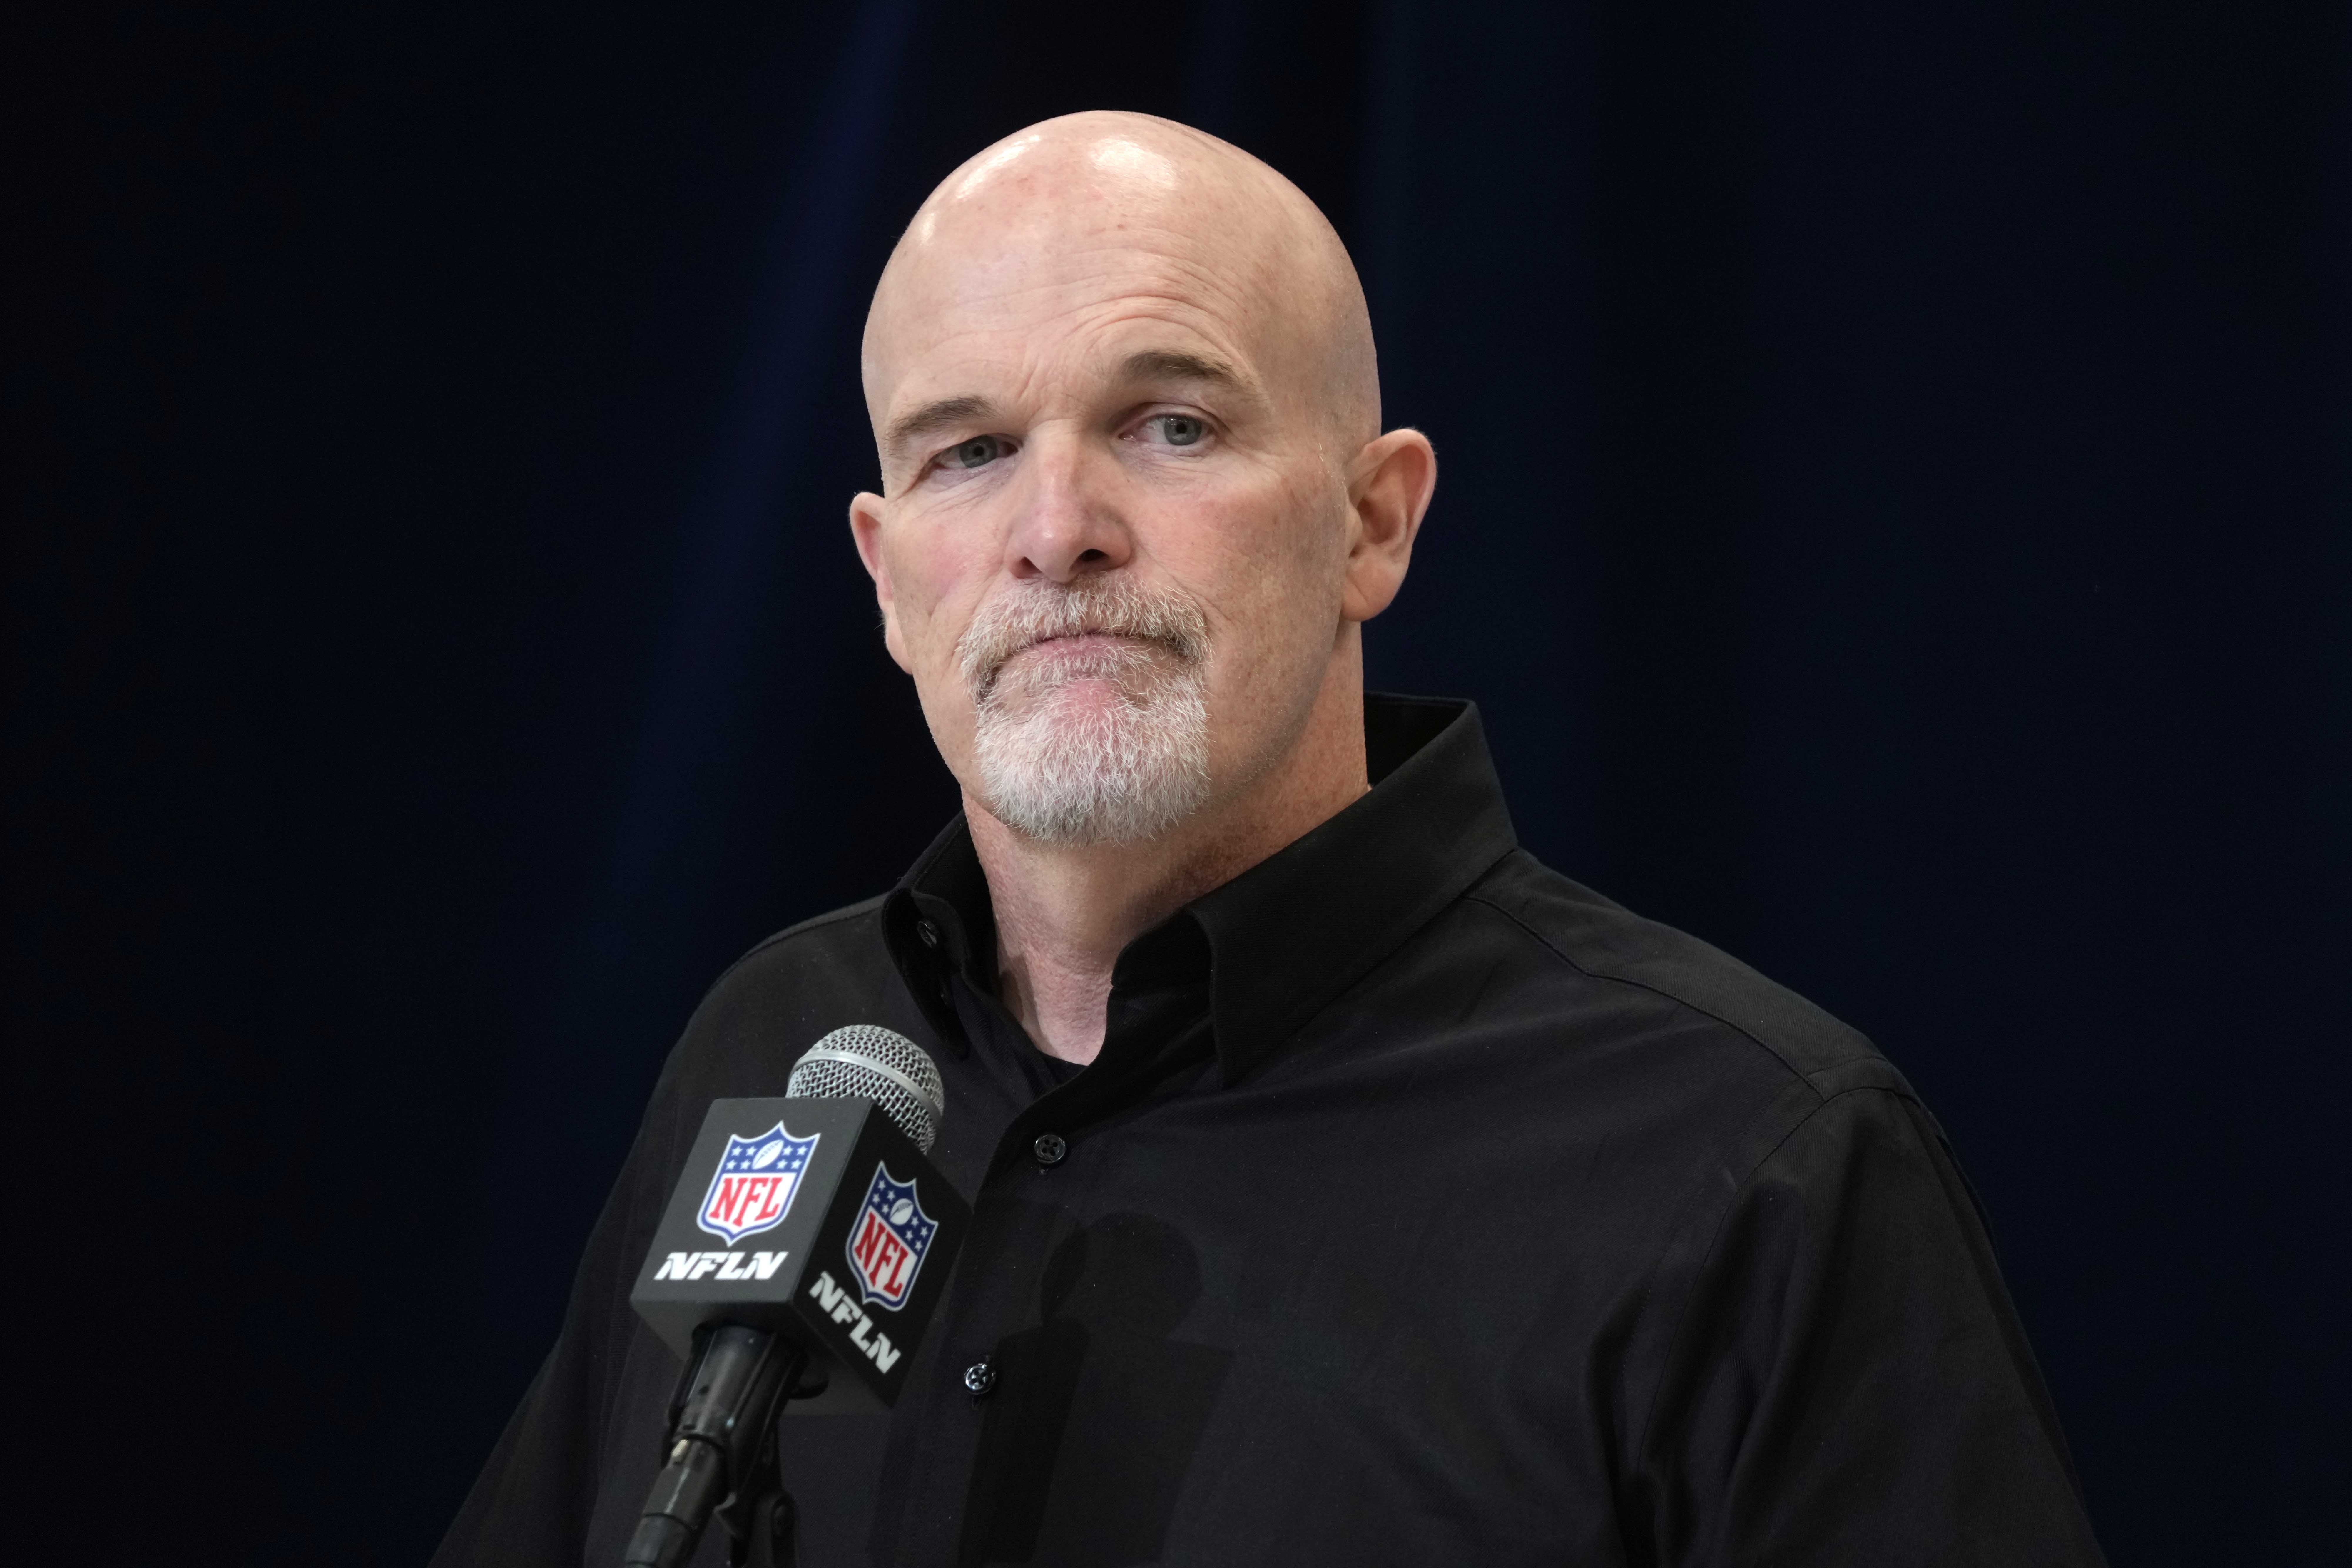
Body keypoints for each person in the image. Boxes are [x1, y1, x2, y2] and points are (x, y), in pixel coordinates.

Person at [435, 111, 2105, 1567]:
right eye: (968, 452)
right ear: (883, 574)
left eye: (1170, 423)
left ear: (1372, 518)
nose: (1056, 533)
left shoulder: (1754, 1163)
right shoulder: (783, 1047)